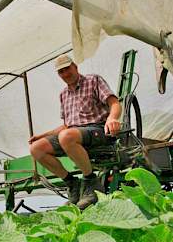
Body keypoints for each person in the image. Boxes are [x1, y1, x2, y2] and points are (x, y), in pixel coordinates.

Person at [29, 54, 121, 210]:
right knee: (36, 148)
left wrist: (112, 119)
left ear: (75, 67)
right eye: (61, 72)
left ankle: (91, 182)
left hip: (98, 130)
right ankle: (72, 183)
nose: (65, 74)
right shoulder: (63, 94)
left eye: (67, 69)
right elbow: (66, 126)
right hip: (72, 134)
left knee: (66, 137)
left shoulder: (93, 80)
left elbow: (114, 103)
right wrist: (42, 136)